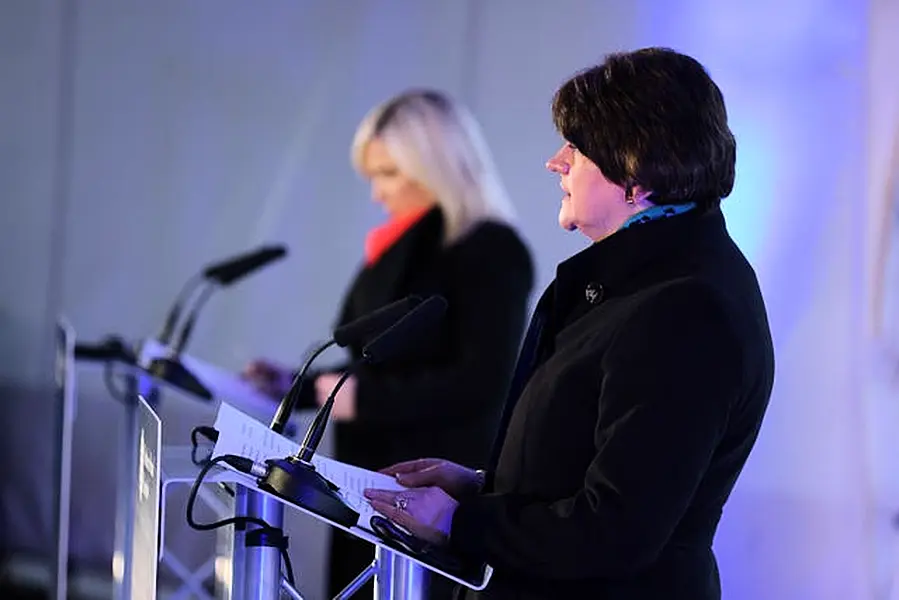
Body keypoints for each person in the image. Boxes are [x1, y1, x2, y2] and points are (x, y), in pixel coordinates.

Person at [364, 48, 776, 600]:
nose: (556, 162)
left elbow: (617, 529)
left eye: (577, 149)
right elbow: (590, 462)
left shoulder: (686, 310)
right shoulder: (641, 277)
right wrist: (480, 489)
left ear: (634, 170)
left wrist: (458, 524)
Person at [242, 89, 534, 598]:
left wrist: (364, 399)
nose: (377, 193)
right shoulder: (402, 244)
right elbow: (372, 358)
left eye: (389, 174)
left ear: (437, 166)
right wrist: (299, 385)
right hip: (364, 476)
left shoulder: (492, 250)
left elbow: (482, 381)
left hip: (429, 492)